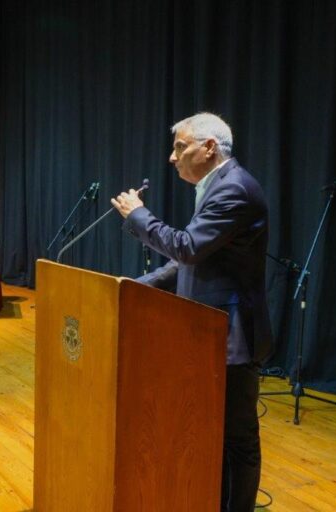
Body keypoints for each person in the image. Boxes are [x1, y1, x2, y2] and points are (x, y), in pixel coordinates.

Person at [110, 112, 272, 512]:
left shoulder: (235, 189)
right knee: (208, 435)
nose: (172, 157)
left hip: (232, 338)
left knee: (236, 441)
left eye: (180, 147)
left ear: (210, 147)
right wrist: (134, 287)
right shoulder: (215, 186)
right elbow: (191, 262)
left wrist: (138, 215)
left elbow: (186, 248)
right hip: (206, 332)